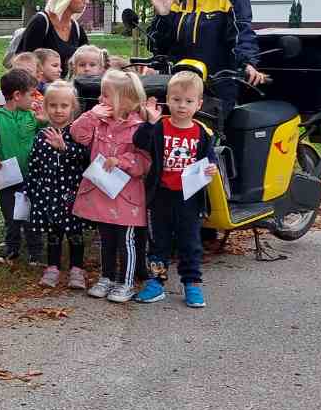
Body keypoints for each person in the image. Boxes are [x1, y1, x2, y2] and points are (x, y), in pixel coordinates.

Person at [133, 73, 223, 308]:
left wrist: (211, 167)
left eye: (188, 101)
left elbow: (208, 157)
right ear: (167, 100)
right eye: (176, 99)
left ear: (198, 104)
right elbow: (139, 142)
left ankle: (191, 282)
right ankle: (157, 282)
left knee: (190, 242)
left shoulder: (201, 132)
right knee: (158, 242)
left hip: (189, 198)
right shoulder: (160, 126)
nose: (182, 105)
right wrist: (149, 122)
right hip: (161, 196)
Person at [69, 68, 152, 303]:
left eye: (105, 95)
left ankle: (125, 282)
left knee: (126, 240)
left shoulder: (139, 128)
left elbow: (145, 162)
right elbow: (77, 134)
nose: (100, 100)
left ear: (125, 100)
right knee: (105, 238)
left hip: (126, 197)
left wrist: (122, 161)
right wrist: (90, 115)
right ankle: (107, 276)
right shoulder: (99, 122)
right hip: (102, 192)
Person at [26, 80, 88, 289]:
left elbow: (86, 158)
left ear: (73, 108)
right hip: (49, 193)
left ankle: (77, 269)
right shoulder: (41, 136)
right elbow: (34, 165)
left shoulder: (77, 133)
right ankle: (52, 266)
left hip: (72, 194)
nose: (58, 110)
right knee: (53, 231)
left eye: (64, 106)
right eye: (53, 106)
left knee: (74, 232)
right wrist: (32, 190)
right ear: (45, 107)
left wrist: (65, 149)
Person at [0, 68, 43, 265]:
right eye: (31, 94)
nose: (34, 99)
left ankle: (36, 251)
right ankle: (12, 247)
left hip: (31, 176)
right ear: (17, 95)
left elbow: (44, 135)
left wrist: (43, 120)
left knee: (31, 214)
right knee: (11, 214)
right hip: (7, 177)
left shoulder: (32, 117)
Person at [14, 0, 90, 73]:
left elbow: (89, 59)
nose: (87, 2)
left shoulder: (77, 29)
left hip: (66, 87)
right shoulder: (41, 22)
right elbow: (25, 63)